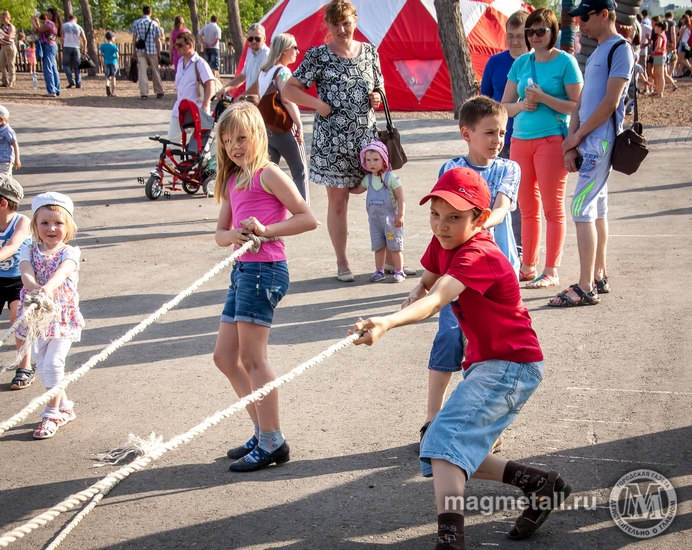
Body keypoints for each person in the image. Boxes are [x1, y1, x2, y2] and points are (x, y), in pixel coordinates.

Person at [351, 167, 572, 549]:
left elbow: (439, 297)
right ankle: (539, 484)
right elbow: (427, 281)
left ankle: (450, 540)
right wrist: (408, 299)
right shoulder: (444, 242)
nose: (441, 225)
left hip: (512, 365)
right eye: (435, 214)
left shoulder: (479, 253)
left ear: (480, 218)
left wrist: (388, 323)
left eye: (454, 217)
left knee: (442, 442)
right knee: (445, 447)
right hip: (489, 365)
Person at [212, 102, 317, 472]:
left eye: (241, 137)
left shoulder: (268, 173)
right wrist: (235, 234)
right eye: (227, 141)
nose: (235, 146)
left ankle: (273, 441)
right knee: (225, 357)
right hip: (242, 271)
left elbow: (308, 218)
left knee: (254, 360)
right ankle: (262, 431)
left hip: (265, 270)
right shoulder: (231, 179)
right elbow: (220, 235)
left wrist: (265, 230)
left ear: (257, 135)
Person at [418, 97, 521, 446]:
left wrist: (475, 227)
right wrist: (420, 287)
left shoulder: (508, 169)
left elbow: (502, 209)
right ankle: (433, 419)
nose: (497, 139)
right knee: (448, 337)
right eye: (489, 132)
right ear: (467, 133)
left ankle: (486, 423)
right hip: (457, 270)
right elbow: (443, 213)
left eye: (502, 133)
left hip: (494, 275)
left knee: (490, 350)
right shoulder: (451, 167)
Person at [283, 0, 384, 282]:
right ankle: (343, 263)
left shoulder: (370, 52)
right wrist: (317, 104)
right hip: (333, 142)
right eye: (336, 24)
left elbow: (379, 86)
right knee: (338, 203)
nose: (342, 29)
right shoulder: (318, 56)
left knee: (380, 197)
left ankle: (388, 259)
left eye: (347, 22)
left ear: (355, 21)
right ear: (328, 25)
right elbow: (290, 88)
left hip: (367, 141)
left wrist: (377, 96)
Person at [556, 0, 634, 307]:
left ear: (604, 14)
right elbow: (582, 101)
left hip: (600, 141)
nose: (579, 23)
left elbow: (610, 102)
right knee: (597, 208)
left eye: (585, 17)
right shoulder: (598, 49)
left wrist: (577, 136)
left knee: (580, 207)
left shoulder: (620, 49)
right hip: (588, 140)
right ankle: (598, 274)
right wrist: (572, 140)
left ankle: (586, 285)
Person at [501, 7, 583, 289]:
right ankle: (527, 266)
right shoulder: (521, 63)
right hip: (520, 141)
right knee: (526, 208)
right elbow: (504, 107)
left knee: (552, 208)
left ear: (552, 33)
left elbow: (577, 105)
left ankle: (551, 269)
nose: (534, 36)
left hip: (551, 140)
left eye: (540, 31)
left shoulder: (566, 62)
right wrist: (523, 105)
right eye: (530, 32)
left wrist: (545, 98)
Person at [17, 192, 84, 439]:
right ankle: (65, 406)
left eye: (58, 223)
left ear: (68, 226)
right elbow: (25, 272)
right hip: (37, 319)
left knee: (54, 363)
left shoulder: (70, 252)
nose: (51, 228)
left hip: (61, 318)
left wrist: (48, 288)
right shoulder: (29, 249)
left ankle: (51, 412)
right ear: (35, 225)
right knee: (43, 365)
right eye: (44, 222)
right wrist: (34, 285)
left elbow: (63, 273)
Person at [480, 10, 529, 253]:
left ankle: (519, 247)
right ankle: (491, 245)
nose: (515, 41)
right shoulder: (495, 62)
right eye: (510, 35)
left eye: (520, 36)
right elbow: (485, 99)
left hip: (527, 138)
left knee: (522, 199)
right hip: (497, 140)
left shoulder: (535, 62)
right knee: (492, 193)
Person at [256, 33, 308, 201]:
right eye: (294, 47)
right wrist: (299, 124)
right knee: (299, 170)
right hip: (284, 126)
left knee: (269, 170)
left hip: (267, 126)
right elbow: (287, 99)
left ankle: (266, 206)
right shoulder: (283, 71)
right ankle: (303, 210)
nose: (297, 51)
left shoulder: (264, 71)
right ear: (285, 50)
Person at [352, 141, 406, 283]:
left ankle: (399, 271)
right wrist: (343, 188)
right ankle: (379, 271)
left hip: (391, 221)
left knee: (394, 246)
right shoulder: (368, 179)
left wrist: (400, 215)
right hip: (375, 222)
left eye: (376, 159)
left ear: (384, 159)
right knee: (378, 246)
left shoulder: (391, 178)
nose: (372, 163)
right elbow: (358, 190)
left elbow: (401, 197)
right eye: (368, 160)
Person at [0, 175, 33, 391]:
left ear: (2, 203)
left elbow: (12, 246)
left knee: (18, 317)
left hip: (19, 280)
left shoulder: (22, 222)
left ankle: (25, 366)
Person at [168, 32, 214, 142]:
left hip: (196, 109)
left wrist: (206, 105)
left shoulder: (200, 64)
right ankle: (180, 159)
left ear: (190, 45)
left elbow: (210, 84)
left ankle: (205, 159)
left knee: (200, 143)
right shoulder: (179, 63)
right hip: (179, 109)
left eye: (180, 45)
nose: (177, 48)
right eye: (176, 45)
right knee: (173, 138)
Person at [217, 23, 269, 97]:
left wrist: (242, 97)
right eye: (250, 39)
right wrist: (224, 89)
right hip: (251, 100)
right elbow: (241, 77)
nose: (253, 41)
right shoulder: (251, 55)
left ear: (264, 38)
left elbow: (260, 83)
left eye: (257, 38)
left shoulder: (267, 55)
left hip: (261, 102)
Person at [130, 5, 164, 100]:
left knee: (142, 72)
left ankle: (144, 93)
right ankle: (159, 91)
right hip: (152, 49)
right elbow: (157, 40)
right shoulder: (154, 24)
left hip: (140, 50)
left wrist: (134, 52)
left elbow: (133, 39)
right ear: (150, 12)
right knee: (155, 71)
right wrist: (159, 52)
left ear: (143, 12)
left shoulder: (136, 23)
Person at [31, 8, 62, 97]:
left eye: (48, 13)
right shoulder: (54, 24)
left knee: (47, 68)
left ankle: (51, 90)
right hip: (52, 46)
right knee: (53, 68)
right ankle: (56, 88)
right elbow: (40, 30)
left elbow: (37, 31)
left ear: (52, 14)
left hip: (48, 46)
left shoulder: (49, 23)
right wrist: (36, 23)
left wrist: (33, 21)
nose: (47, 15)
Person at [61, 13, 86, 89]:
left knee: (65, 64)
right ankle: (78, 83)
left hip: (67, 46)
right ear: (75, 19)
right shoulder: (79, 27)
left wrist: (63, 43)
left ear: (69, 19)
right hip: (76, 47)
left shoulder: (64, 26)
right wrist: (84, 49)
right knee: (77, 66)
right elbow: (85, 40)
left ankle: (71, 81)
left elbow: (61, 37)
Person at [0, 105, 20, 175]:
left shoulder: (7, 131)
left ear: (1, 120)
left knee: (4, 180)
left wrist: (17, 159)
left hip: (5, 161)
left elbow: (15, 144)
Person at [99, 32, 120, 97]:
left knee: (107, 76)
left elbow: (100, 53)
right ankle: (112, 92)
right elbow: (117, 55)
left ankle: (107, 84)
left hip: (106, 62)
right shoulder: (114, 46)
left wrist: (105, 55)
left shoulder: (103, 45)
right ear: (112, 38)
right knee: (113, 77)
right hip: (113, 62)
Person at [0, 11, 16, 88]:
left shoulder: (10, 26)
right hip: (2, 46)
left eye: (4, 17)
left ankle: (11, 81)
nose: (2, 19)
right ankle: (5, 80)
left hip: (9, 46)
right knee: (1, 64)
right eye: (1, 17)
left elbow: (9, 37)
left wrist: (1, 32)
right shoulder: (1, 27)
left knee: (10, 64)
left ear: (8, 18)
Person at [651, 21, 667, 97]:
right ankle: (658, 90)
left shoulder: (660, 36)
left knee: (660, 75)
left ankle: (660, 92)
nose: (654, 28)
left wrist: (654, 52)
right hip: (659, 55)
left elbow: (659, 46)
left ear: (659, 28)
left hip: (659, 55)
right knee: (658, 74)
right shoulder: (662, 35)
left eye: (655, 27)